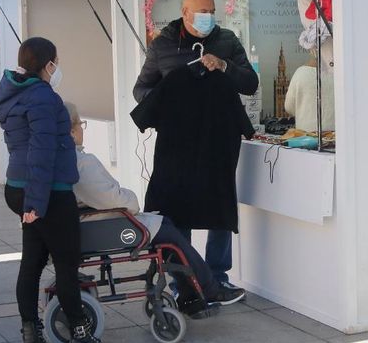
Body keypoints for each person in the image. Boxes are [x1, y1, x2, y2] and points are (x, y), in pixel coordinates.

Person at [0, 37, 116, 343]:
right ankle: (81, 337)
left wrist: (30, 202)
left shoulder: (14, 92)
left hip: (21, 186)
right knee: (66, 264)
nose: (57, 68)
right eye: (55, 62)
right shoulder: (43, 97)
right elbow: (42, 152)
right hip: (47, 190)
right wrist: (36, 203)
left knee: (32, 263)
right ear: (48, 65)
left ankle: (32, 342)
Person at [65, 102, 246, 313]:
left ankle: (192, 290)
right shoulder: (81, 163)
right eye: (81, 124)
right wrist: (132, 198)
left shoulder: (66, 158)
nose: (82, 129)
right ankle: (208, 287)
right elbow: (115, 200)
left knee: (166, 227)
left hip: (95, 221)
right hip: (105, 225)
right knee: (169, 235)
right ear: (71, 131)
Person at [133, 0, 258, 290]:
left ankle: (217, 277)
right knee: (179, 208)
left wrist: (225, 66)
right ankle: (183, 280)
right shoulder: (163, 45)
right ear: (185, 13)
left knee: (219, 206)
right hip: (178, 142)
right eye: (202, 12)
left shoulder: (226, 40)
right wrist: (175, 99)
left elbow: (250, 83)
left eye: (212, 11)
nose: (208, 17)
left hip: (219, 139)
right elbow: (142, 91)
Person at [284, 49, 335, 132]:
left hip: (307, 136)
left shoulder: (301, 73)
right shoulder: (341, 73)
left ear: (311, 50)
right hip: (336, 135)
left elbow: (289, 107)